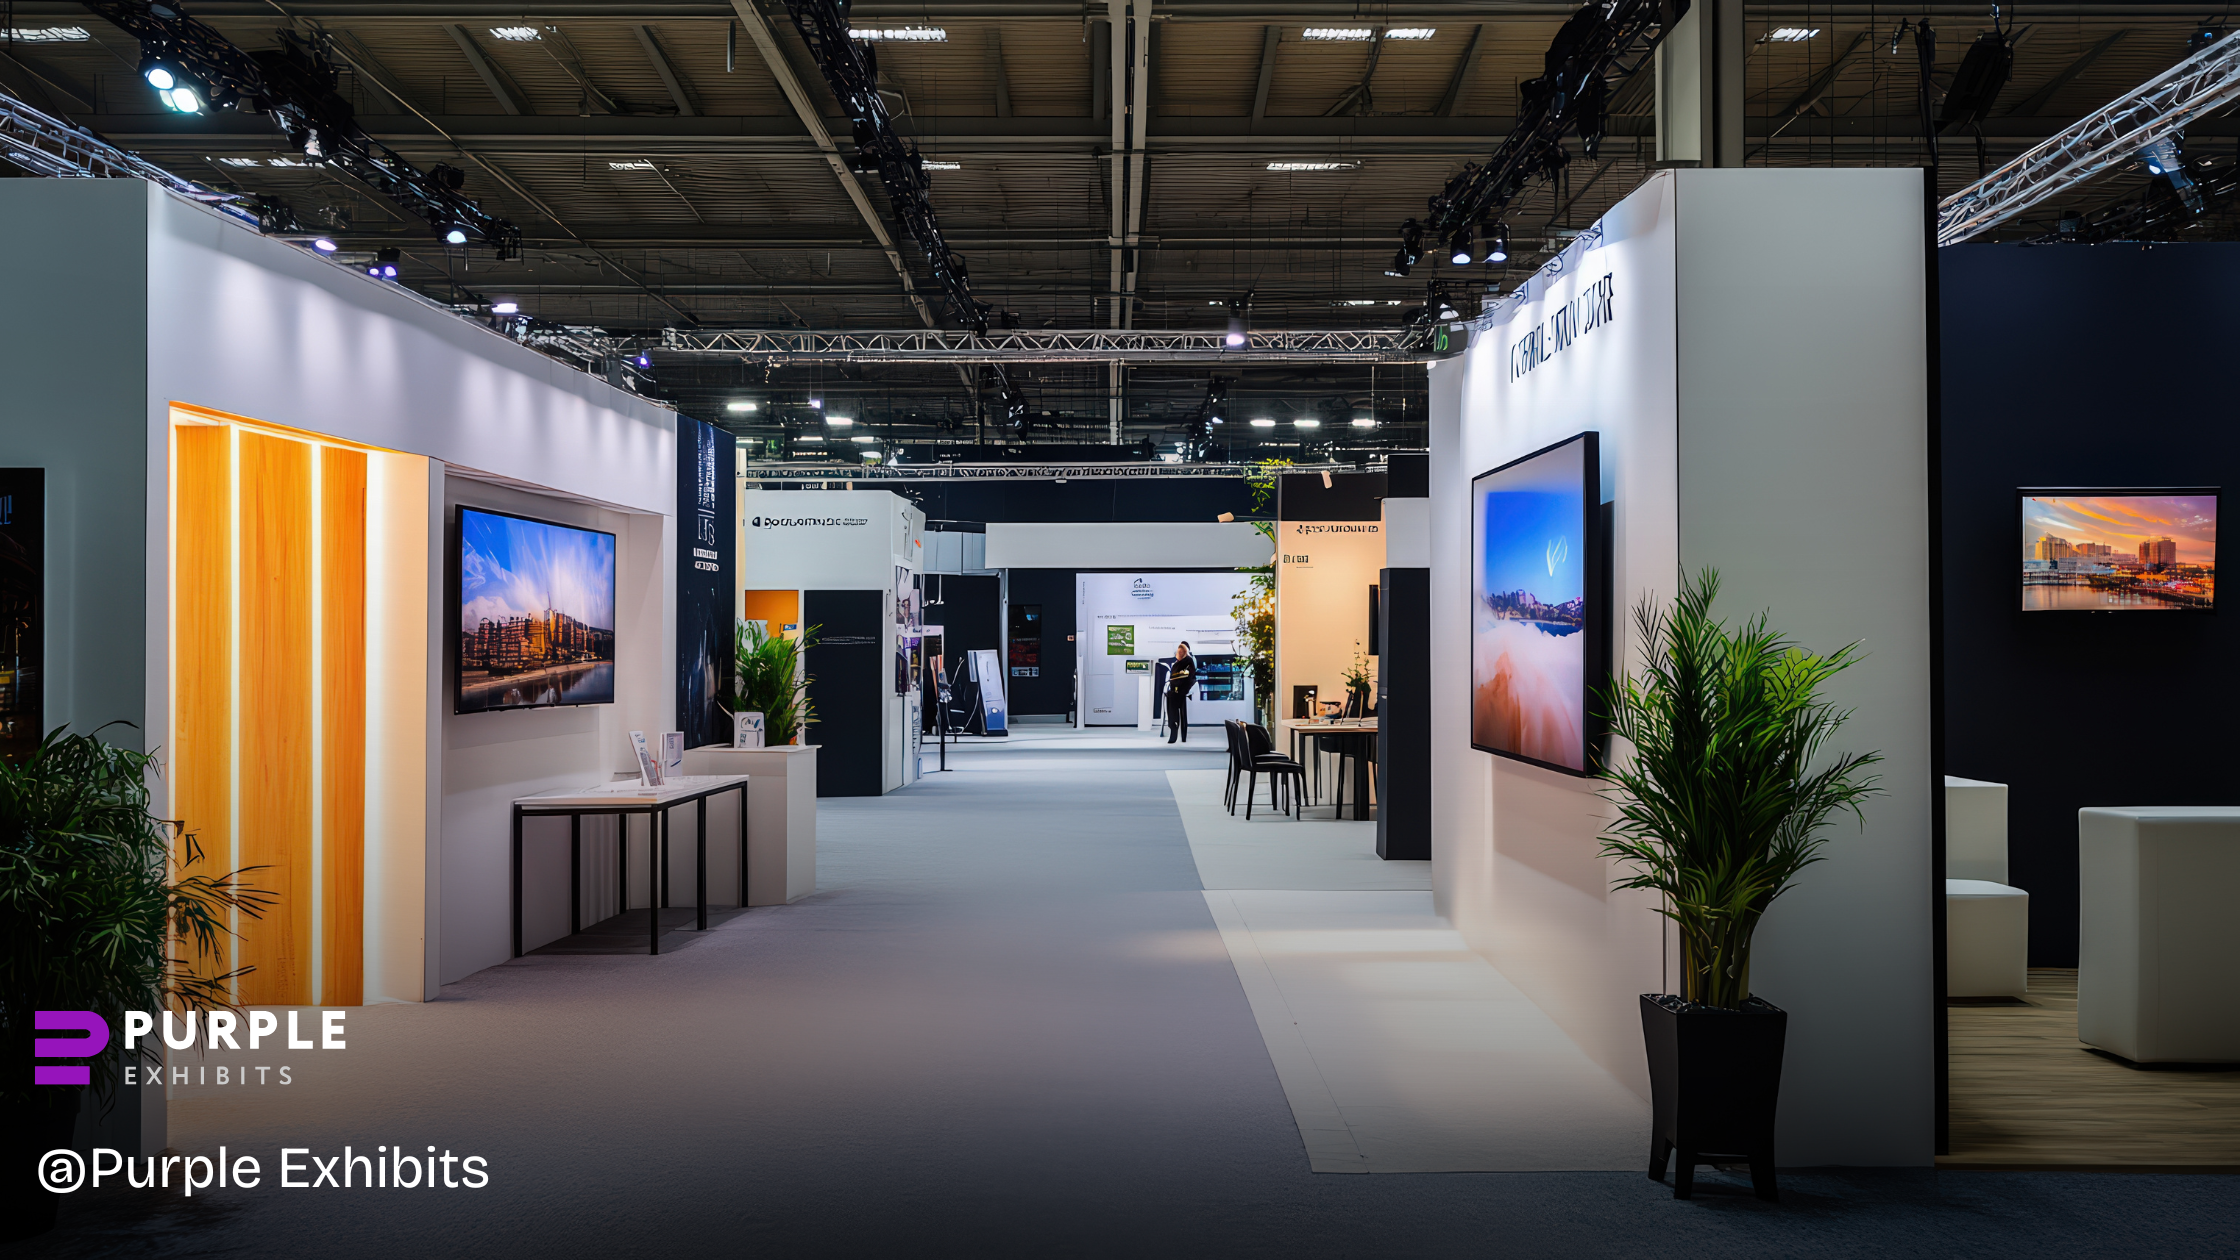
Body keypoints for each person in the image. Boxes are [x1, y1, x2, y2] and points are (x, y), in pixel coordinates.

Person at [1165, 641, 1195, 743]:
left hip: (1182, 690)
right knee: (1171, 705)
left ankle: (1175, 728)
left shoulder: (1188, 661)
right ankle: (1173, 726)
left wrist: (1175, 678)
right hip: (1175, 690)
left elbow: (1187, 675)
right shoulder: (1177, 664)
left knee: (1177, 709)